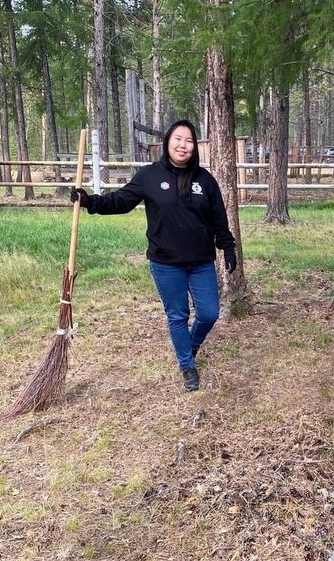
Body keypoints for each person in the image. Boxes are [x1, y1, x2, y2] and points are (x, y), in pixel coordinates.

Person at [71, 119, 237, 392]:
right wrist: (91, 201)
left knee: (209, 313)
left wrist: (227, 246)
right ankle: (186, 364)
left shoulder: (205, 180)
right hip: (166, 262)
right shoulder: (150, 176)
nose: (183, 145)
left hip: (201, 261)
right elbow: (121, 201)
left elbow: (218, 216)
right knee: (178, 315)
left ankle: (190, 345)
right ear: (167, 142)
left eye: (189, 141)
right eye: (178, 139)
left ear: (195, 146)